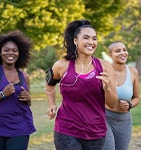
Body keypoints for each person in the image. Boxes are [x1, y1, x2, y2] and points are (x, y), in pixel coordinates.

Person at [44, 19, 118, 150]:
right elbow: (49, 84)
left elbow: (113, 104)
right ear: (75, 41)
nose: (91, 42)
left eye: (94, 39)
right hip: (66, 129)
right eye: (86, 38)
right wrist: (52, 104)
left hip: (96, 131)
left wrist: (107, 89)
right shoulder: (61, 65)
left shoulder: (105, 66)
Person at [0, 30, 36, 150]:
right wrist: (2, 94)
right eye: (6, 50)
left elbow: (28, 103)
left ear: (19, 53)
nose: (10, 53)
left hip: (20, 128)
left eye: (14, 50)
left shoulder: (24, 76)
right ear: (0, 53)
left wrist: (28, 98)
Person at [103, 41, 140, 150]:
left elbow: (137, 98)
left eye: (124, 50)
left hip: (124, 120)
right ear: (110, 55)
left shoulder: (133, 72)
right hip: (105, 119)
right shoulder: (104, 71)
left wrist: (129, 105)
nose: (122, 53)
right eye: (117, 51)